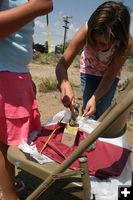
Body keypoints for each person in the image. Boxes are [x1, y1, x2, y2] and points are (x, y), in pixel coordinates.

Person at [0, 0, 53, 200]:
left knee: (14, 139)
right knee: (5, 143)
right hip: (4, 73)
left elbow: (20, 39)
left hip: (16, 73)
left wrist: (25, 74)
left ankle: (8, 184)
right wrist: (36, 8)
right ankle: (9, 194)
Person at [56, 1, 132, 120]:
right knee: (88, 109)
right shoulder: (86, 31)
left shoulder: (124, 44)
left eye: (103, 44)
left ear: (117, 39)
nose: (96, 47)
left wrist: (95, 99)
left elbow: (109, 77)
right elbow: (62, 64)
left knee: (100, 110)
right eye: (93, 40)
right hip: (89, 70)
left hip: (109, 76)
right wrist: (64, 84)